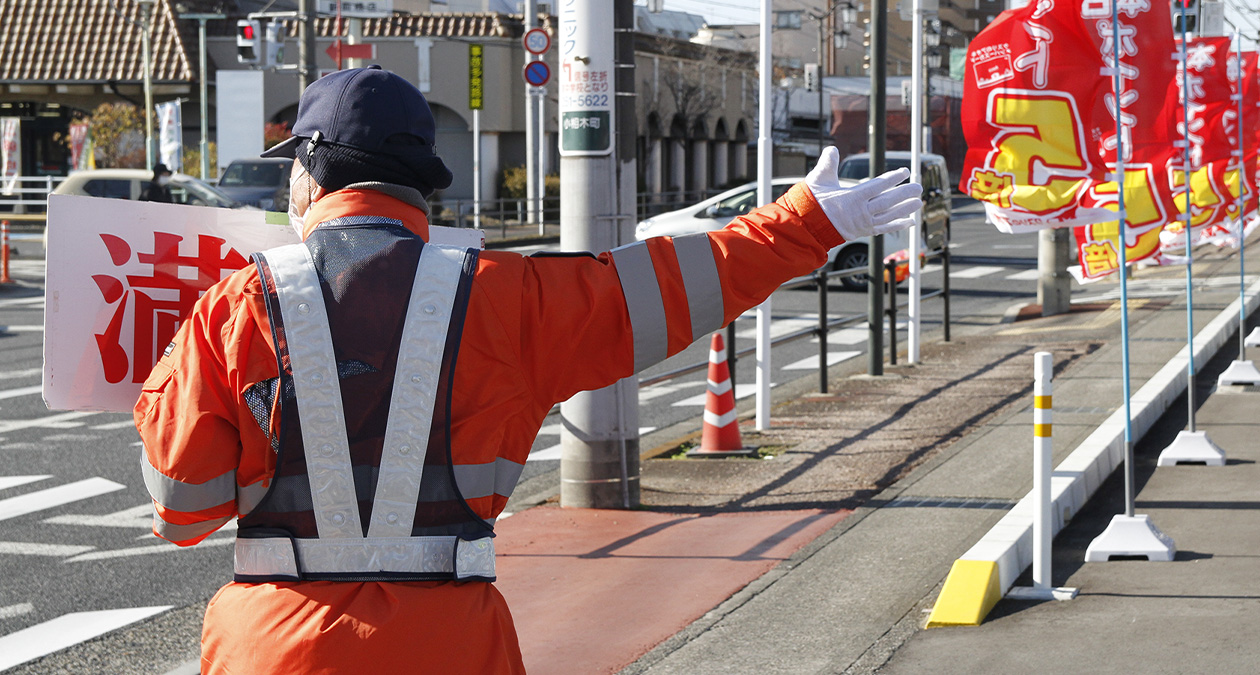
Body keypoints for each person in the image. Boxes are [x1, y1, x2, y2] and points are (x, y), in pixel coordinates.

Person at [135, 66, 921, 674]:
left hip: (275, 646)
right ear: (422, 183)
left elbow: (183, 508)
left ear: (311, 172)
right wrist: (805, 223)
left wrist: (167, 384)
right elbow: (665, 287)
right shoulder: (503, 295)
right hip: (453, 644)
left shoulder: (234, 305)